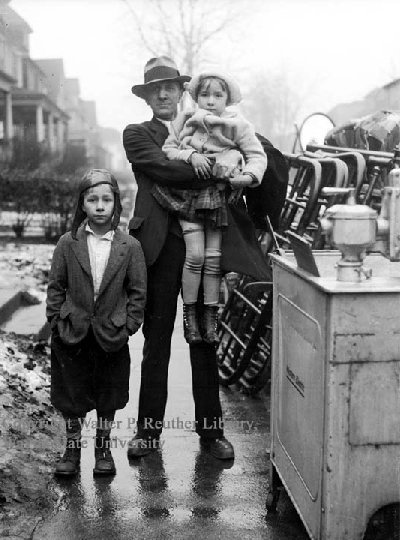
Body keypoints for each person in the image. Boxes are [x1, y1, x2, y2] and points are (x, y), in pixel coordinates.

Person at [123, 56, 273, 460]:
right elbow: (164, 171)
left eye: (170, 87)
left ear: (181, 90)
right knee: (156, 343)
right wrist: (223, 165)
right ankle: (148, 433)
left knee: (204, 336)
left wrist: (246, 164)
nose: (164, 95)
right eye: (156, 90)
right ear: (147, 97)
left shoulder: (210, 121)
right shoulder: (138, 134)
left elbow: (260, 154)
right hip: (159, 246)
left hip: (207, 243)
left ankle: (212, 434)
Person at [154, 69, 267, 344]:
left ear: (228, 98)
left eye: (218, 95)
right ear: (195, 98)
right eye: (204, 95)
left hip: (217, 196)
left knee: (214, 258)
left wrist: (248, 176)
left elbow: (256, 155)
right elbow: (168, 149)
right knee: (195, 256)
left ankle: (210, 317)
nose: (210, 100)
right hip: (188, 194)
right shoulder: (185, 119)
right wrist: (190, 154)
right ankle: (190, 315)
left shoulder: (237, 124)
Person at [47, 169, 147, 477]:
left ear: (116, 203)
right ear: (83, 205)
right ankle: (72, 448)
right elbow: (56, 285)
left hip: (111, 334)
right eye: (93, 200)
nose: (100, 206)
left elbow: (138, 291)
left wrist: (128, 325)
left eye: (106, 200)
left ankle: (103, 448)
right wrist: (56, 321)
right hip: (72, 333)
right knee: (71, 395)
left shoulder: (129, 246)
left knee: (109, 393)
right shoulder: (68, 243)